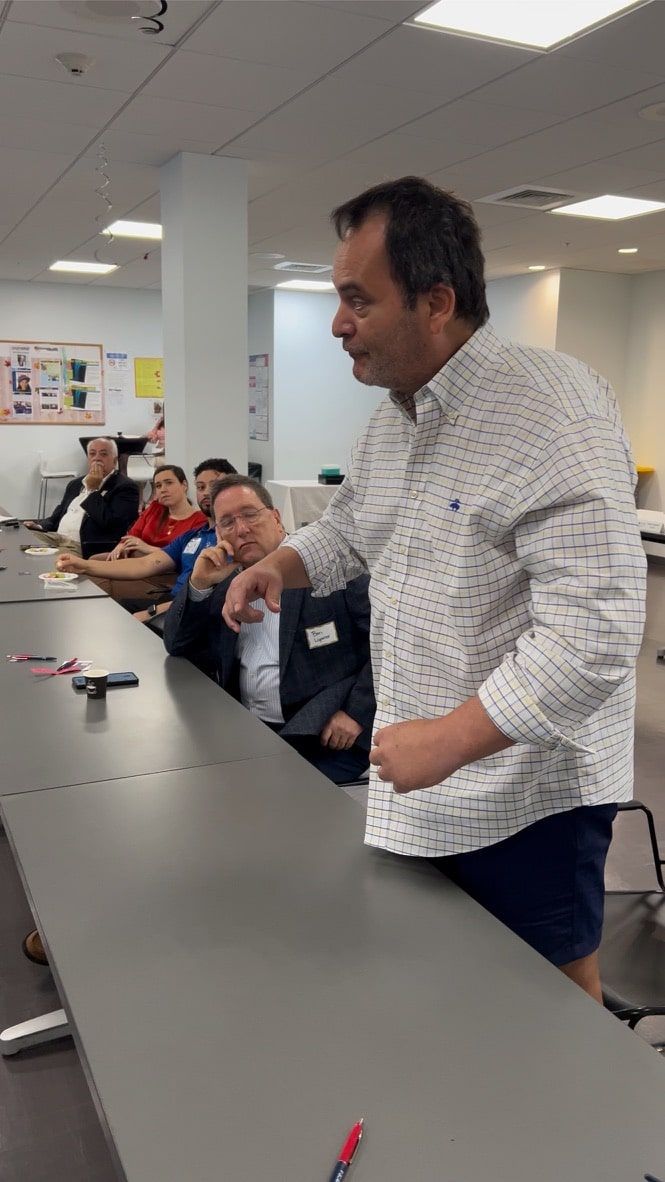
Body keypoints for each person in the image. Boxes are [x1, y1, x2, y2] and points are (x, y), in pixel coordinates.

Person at [220, 177, 647, 1001]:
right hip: (423, 775)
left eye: (357, 300)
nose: (338, 323)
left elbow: (594, 632)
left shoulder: (550, 409)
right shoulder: (395, 416)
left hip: (527, 791)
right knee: (445, 989)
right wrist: (278, 564)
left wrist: (448, 739)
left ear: (436, 302)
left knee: (547, 1007)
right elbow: (348, 531)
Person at [164, 475, 375, 785]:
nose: (241, 529)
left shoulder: (333, 567)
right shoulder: (223, 579)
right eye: (227, 523)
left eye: (250, 515)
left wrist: (357, 713)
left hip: (323, 736)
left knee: (273, 805)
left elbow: (389, 645)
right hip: (245, 732)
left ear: (276, 517)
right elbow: (177, 644)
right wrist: (199, 585)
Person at [56, 458, 236, 623]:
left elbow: (211, 597)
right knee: (103, 611)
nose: (206, 493)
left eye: (214, 485)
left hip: (189, 612)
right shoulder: (194, 535)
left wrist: (153, 611)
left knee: (110, 616)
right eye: (201, 487)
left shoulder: (233, 538)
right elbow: (145, 564)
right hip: (170, 601)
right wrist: (83, 565)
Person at [24, 437, 139, 557]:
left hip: (82, 544)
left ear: (115, 461)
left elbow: (113, 525)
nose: (97, 458)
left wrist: (93, 490)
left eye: (103, 454)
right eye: (92, 454)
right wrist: (38, 526)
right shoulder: (76, 484)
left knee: (53, 563)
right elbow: (57, 516)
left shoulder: (125, 487)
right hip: (56, 538)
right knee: (17, 539)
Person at [111, 464, 206, 552]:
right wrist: (121, 546)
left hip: (165, 567)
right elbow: (132, 535)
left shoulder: (200, 519)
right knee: (98, 558)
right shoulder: (155, 508)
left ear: (184, 485)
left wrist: (148, 548)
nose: (163, 490)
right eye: (158, 486)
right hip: (136, 558)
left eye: (169, 483)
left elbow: (187, 555)